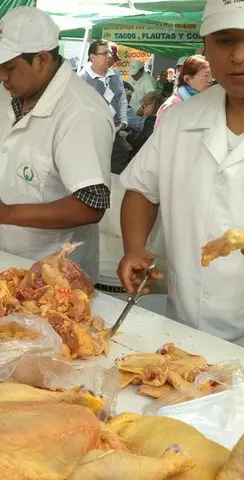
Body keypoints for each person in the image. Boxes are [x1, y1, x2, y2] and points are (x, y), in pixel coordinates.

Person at [118, 0, 244, 345]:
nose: (237, 56)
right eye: (224, 40)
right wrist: (133, 248)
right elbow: (142, 189)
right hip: (184, 321)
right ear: (205, 47)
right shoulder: (180, 120)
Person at [0, 7, 114, 281]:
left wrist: (6, 212)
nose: (0, 76)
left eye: (9, 67)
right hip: (3, 260)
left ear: (42, 60)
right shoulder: (12, 97)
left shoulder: (80, 113)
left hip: (53, 275)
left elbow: (91, 206)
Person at [80, 39, 130, 174]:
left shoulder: (116, 75)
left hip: (115, 132)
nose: (109, 57)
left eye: (109, 53)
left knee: (117, 164)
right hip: (92, 136)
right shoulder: (82, 79)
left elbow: (122, 99)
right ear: (92, 56)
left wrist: (124, 121)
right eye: (104, 54)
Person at [155, 55, 212, 128]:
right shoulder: (171, 106)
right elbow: (160, 137)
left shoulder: (207, 102)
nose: (210, 80)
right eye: (205, 75)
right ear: (187, 79)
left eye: (211, 76)